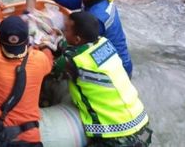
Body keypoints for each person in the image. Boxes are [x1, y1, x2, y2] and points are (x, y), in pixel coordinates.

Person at [55, 11, 152, 146]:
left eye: (66, 30)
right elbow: (74, 47)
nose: (63, 32)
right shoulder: (104, 42)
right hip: (140, 122)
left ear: (77, 39)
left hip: (117, 134)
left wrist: (47, 47)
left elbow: (52, 70)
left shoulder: (74, 60)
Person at [0, 15, 53, 146]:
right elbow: (49, 61)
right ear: (27, 42)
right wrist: (44, 46)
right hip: (30, 138)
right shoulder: (40, 60)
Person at [33, 0, 134, 77]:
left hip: (115, 70)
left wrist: (51, 46)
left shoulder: (96, 18)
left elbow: (77, 46)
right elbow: (70, 2)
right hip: (109, 56)